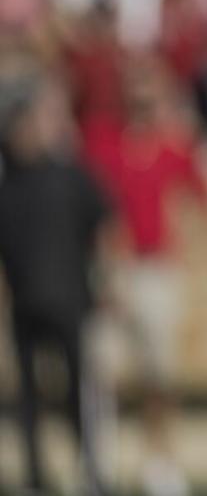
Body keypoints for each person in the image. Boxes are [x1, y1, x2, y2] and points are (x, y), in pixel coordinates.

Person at [0, 72, 111, 495]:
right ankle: (35, 477)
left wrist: (106, 283)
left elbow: (103, 230)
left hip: (70, 300)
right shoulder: (7, 185)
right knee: (28, 400)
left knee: (78, 395)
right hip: (25, 305)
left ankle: (92, 472)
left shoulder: (70, 176)